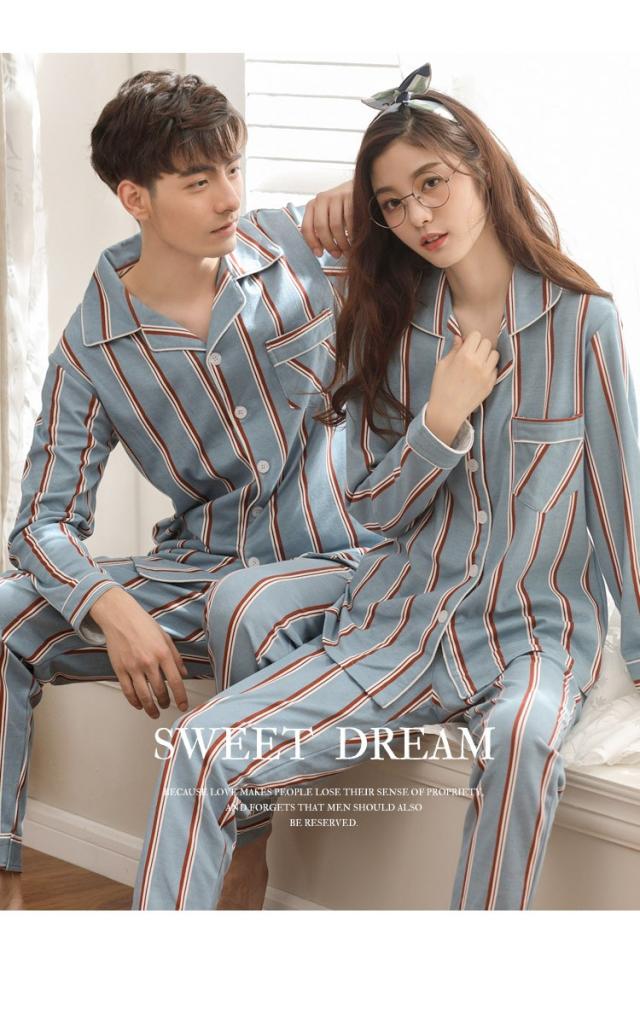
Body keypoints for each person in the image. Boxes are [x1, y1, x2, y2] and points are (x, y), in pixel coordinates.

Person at [132, 63, 640, 911]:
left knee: (521, 739)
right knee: (199, 746)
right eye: (394, 204)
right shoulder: (396, 326)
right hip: (402, 622)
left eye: (432, 185)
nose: (418, 217)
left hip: (535, 634)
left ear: (481, 170)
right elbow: (373, 508)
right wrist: (440, 421)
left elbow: (623, 505)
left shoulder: (584, 320)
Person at [0, 69, 371, 911]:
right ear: (134, 198)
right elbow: (40, 526)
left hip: (349, 568)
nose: (229, 197)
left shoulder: (300, 248)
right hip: (204, 578)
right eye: (199, 181)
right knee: (5, 616)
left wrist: (370, 188)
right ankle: (6, 891)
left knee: (248, 601)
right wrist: (111, 607)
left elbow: (461, 214)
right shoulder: (93, 349)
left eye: (233, 169)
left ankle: (246, 848)